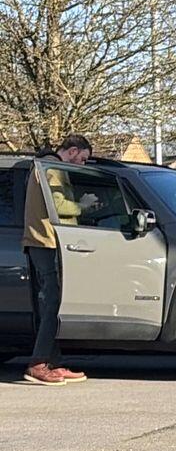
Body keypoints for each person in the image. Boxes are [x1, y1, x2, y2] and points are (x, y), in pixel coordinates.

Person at [20, 134, 93, 386]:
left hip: (42, 241)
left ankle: (52, 361)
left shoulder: (43, 165)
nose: (82, 165)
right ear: (72, 151)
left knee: (52, 304)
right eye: (82, 159)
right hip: (47, 242)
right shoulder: (52, 169)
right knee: (52, 304)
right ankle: (38, 364)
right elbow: (58, 204)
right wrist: (83, 206)